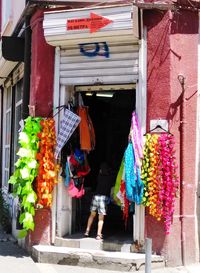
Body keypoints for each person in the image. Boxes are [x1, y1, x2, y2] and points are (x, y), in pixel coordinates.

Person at [84, 162, 114, 240]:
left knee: (92, 215)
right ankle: (98, 234)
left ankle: (87, 231)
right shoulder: (110, 178)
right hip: (103, 198)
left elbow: (100, 172)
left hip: (95, 197)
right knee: (101, 218)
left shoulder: (99, 176)